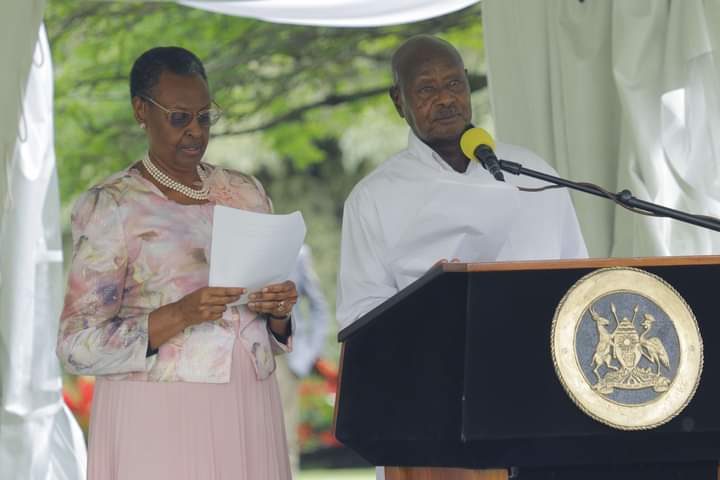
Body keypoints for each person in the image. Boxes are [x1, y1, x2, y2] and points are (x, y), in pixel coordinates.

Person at [57, 46, 296, 480]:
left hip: (249, 404)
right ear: (141, 111)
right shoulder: (112, 205)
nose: (195, 132)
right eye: (179, 117)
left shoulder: (245, 192)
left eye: (204, 117)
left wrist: (278, 312)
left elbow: (264, 329)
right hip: (160, 415)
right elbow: (76, 347)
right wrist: (178, 314)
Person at [337, 34, 588, 330]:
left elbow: (579, 278)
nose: (445, 99)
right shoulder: (372, 198)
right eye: (426, 89)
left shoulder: (533, 169)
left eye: (454, 83)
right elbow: (359, 315)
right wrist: (424, 300)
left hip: (542, 352)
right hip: (439, 364)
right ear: (398, 100)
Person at [275, 244, 331, 476]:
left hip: (286, 357)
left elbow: (319, 307)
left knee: (285, 437)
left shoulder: (298, 252)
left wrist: (308, 354)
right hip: (242, 353)